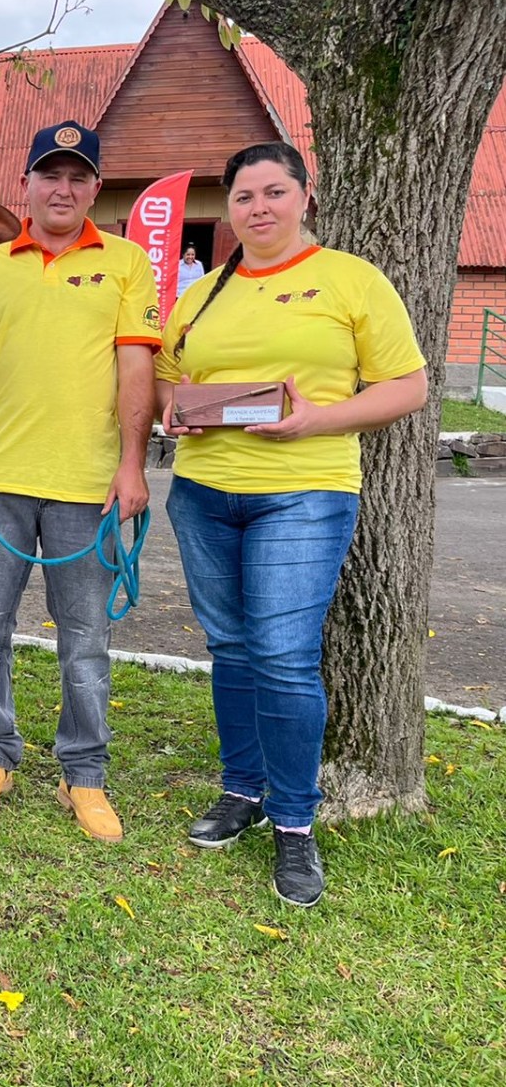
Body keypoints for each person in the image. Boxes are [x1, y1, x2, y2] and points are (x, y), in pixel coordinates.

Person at [155, 141, 427, 906]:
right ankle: (242, 789)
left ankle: (295, 824)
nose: (259, 208)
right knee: (232, 647)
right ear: (231, 208)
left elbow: (407, 386)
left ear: (305, 195)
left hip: (305, 491)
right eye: (244, 197)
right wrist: (176, 410)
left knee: (281, 653)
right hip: (205, 492)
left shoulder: (349, 280)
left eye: (275, 192)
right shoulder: (204, 290)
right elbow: (171, 375)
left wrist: (318, 420)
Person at [0, 120, 162, 841]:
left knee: (86, 637)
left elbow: (138, 368)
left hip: (90, 483)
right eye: (50, 174)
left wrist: (132, 464)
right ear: (26, 184)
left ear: (96, 188)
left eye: (78, 176)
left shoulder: (129, 263)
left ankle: (86, 773)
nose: (63, 188)